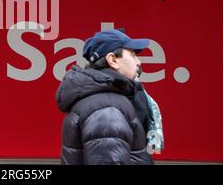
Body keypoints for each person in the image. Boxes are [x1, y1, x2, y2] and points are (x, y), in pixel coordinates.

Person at [56, 28, 163, 165]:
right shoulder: (108, 109)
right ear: (112, 59)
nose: (138, 62)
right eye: (132, 55)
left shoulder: (103, 100)